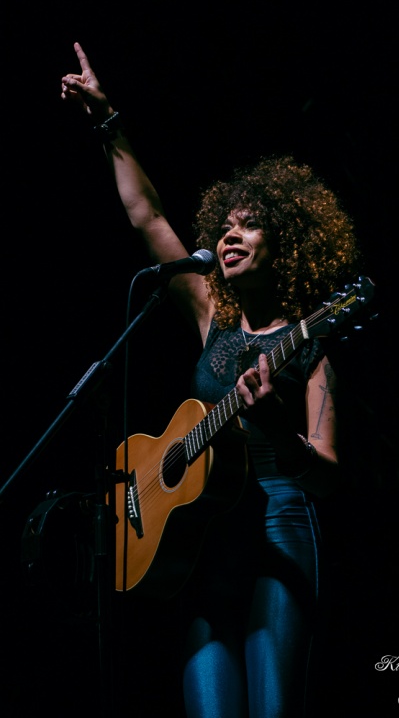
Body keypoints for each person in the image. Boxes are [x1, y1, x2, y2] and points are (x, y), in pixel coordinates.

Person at [61, 42, 364, 718]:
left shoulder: (311, 346)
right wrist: (107, 121)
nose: (229, 236)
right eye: (224, 227)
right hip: (204, 540)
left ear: (285, 244)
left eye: (249, 226)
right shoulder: (209, 315)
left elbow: (330, 475)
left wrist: (280, 435)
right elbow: (147, 216)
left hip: (280, 529)